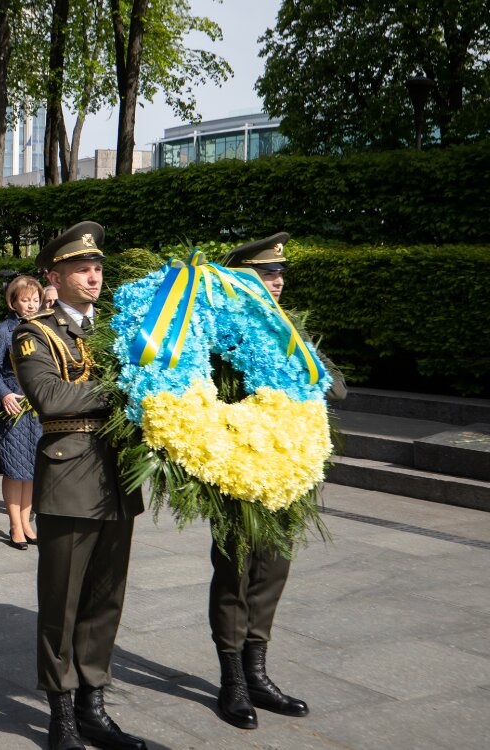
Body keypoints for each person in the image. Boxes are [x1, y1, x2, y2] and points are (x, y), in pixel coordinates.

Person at [11, 221, 147, 750]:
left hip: (118, 478)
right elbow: (50, 398)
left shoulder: (115, 328)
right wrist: (124, 385)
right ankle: (61, 712)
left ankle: (93, 705)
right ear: (55, 276)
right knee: (62, 601)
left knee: (106, 599)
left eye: (97, 269)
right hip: (70, 477)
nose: (94, 278)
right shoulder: (35, 333)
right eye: (82, 270)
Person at [207, 233, 311, 730]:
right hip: (239, 469)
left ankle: (257, 673)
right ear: (242, 278)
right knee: (236, 572)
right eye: (267, 272)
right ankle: (232, 680)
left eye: (280, 273)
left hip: (286, 469)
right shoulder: (220, 330)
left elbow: (330, 382)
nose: (277, 280)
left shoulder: (289, 327)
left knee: (272, 569)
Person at [0, 274, 44, 549]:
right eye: (25, 300)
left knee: (32, 468)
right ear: (13, 302)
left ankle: (27, 523)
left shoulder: (44, 329)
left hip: (37, 409)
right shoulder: (3, 331)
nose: (31, 305)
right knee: (14, 467)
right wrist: (4, 393)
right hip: (13, 406)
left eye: (35, 300)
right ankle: (15, 525)